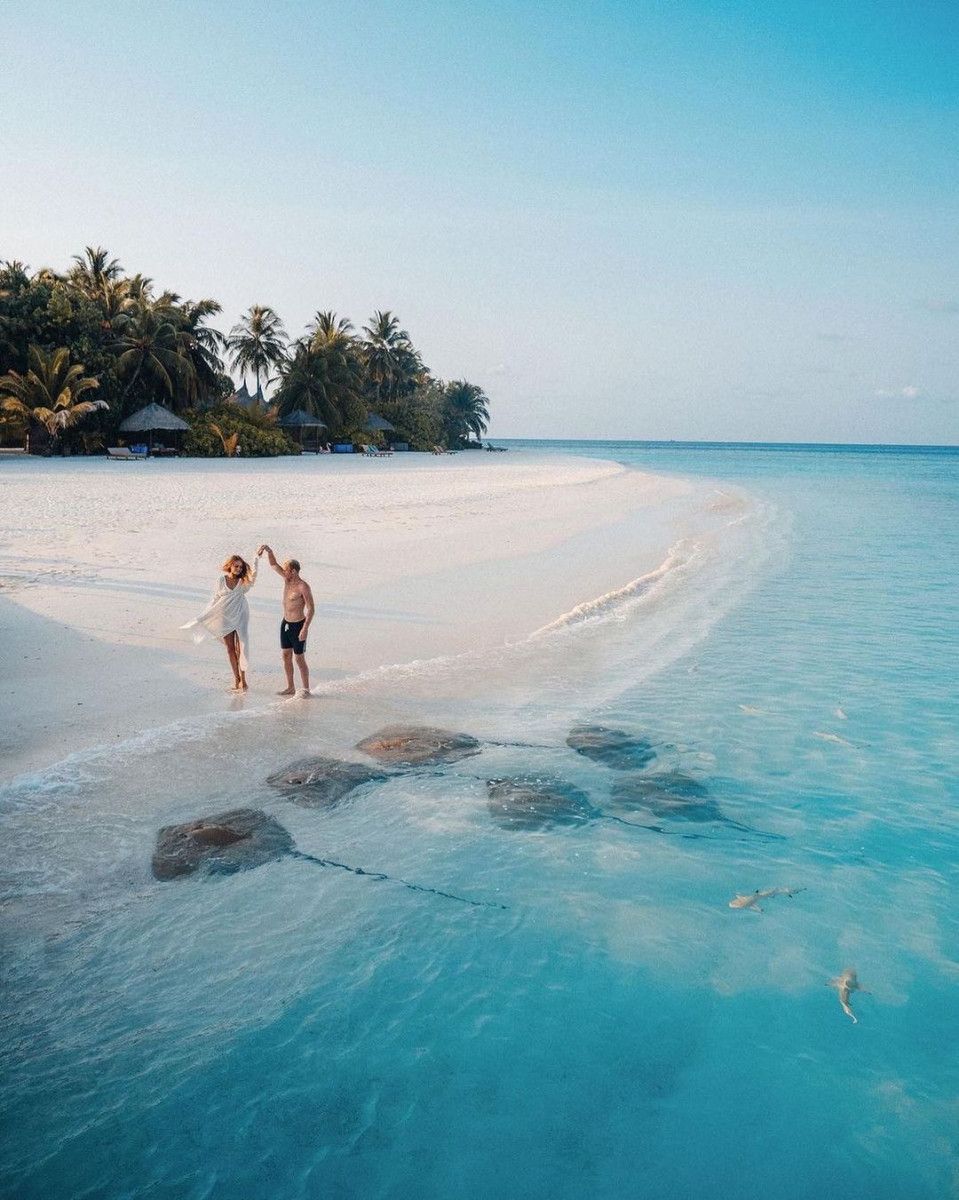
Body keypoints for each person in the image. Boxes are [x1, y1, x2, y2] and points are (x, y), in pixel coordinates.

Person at [181, 552, 259, 691]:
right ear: (230, 566)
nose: (239, 569)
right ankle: (236, 678)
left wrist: (256, 560)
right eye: (236, 566)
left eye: (241, 567)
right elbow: (215, 599)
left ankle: (244, 680)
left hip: (240, 616)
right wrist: (205, 615)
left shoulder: (243, 583)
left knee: (241, 649)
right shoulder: (221, 581)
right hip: (224, 617)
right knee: (230, 650)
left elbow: (252, 578)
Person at [257, 545, 315, 697]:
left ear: (294, 571)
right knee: (286, 656)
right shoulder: (287, 580)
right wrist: (269, 551)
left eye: (287, 570)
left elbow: (311, 609)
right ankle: (290, 687)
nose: (284, 572)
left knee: (299, 658)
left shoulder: (303, 587)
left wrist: (305, 629)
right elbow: (273, 565)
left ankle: (306, 689)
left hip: (298, 625)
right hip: (286, 624)